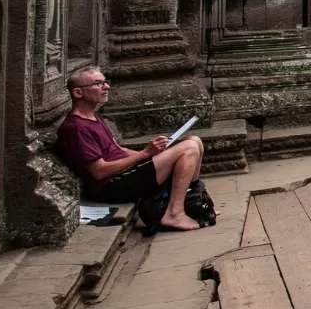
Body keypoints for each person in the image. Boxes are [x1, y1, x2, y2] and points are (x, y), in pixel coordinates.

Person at [55, 65, 207, 230]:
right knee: (189, 148)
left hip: (125, 173)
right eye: (98, 84)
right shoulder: (76, 127)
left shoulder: (93, 116)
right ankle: (173, 213)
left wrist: (156, 155)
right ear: (78, 93)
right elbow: (99, 171)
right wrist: (144, 154)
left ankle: (192, 203)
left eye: (105, 82)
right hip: (111, 186)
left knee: (194, 140)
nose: (106, 87)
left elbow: (118, 150)